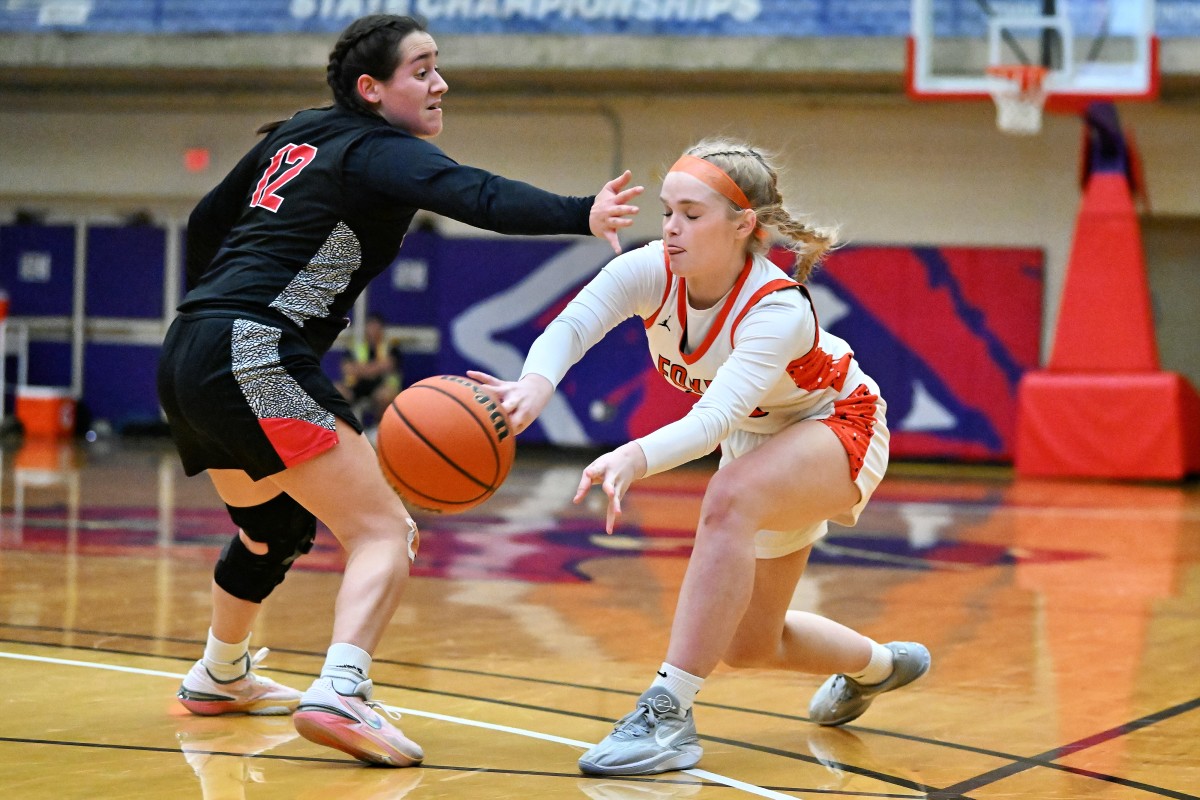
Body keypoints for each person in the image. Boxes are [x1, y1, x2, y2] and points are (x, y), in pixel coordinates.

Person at [156, 13, 641, 768]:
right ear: (372, 90)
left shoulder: (302, 133)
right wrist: (581, 212)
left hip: (191, 346)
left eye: (437, 65)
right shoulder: (377, 151)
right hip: (253, 348)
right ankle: (342, 690)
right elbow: (473, 193)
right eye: (422, 70)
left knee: (274, 530)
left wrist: (211, 317)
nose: (440, 82)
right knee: (386, 530)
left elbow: (202, 219)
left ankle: (221, 676)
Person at [470, 139, 930, 776]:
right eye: (667, 211)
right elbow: (572, 327)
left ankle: (668, 714)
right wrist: (534, 384)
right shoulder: (651, 270)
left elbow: (712, 421)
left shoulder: (777, 307)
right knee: (749, 643)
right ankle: (881, 668)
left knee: (729, 497)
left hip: (838, 421)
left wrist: (634, 455)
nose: (671, 228)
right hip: (760, 440)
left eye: (691, 214)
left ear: (744, 226)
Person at [337, 312, 402, 426]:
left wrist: (362, 369)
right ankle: (341, 429)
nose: (373, 330)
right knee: (336, 392)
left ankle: (380, 429)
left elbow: (388, 364)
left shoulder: (391, 347)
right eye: (370, 326)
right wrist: (374, 369)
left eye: (376, 326)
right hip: (357, 386)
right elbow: (347, 368)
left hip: (381, 385)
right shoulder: (356, 346)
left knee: (385, 396)